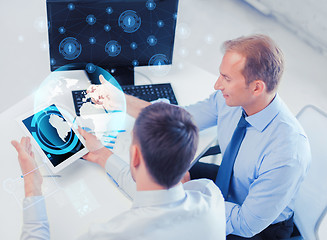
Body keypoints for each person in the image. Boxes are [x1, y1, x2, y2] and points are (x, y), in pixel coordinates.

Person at [88, 34, 311, 239]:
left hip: (259, 229)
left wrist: (183, 197)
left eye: (226, 78)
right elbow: (175, 119)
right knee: (157, 172)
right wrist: (120, 101)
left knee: (161, 195)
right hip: (229, 185)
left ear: (256, 88)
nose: (217, 85)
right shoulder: (231, 101)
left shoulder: (287, 152)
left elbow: (245, 223)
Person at [12, 102, 226, 240]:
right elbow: (159, 197)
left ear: (134, 156)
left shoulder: (112, 234)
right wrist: (102, 155)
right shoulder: (210, 195)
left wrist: (32, 184)